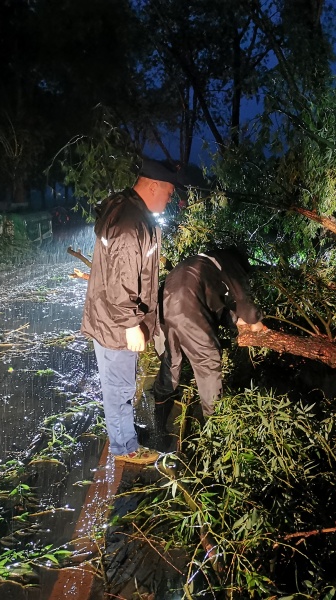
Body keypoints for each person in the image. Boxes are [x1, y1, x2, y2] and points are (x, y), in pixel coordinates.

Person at [81, 158, 180, 465]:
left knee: (120, 384)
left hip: (110, 319)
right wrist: (130, 324)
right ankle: (124, 447)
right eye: (169, 193)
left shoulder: (126, 209)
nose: (170, 200)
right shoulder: (130, 224)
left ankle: (123, 432)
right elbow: (120, 282)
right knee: (118, 387)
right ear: (154, 186)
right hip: (116, 324)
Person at [152, 248, 265, 426]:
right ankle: (213, 422)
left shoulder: (203, 263)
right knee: (207, 361)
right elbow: (242, 298)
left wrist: (237, 320)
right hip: (187, 307)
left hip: (163, 306)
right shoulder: (232, 264)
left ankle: (161, 401)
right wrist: (255, 321)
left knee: (172, 357)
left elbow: (216, 304)